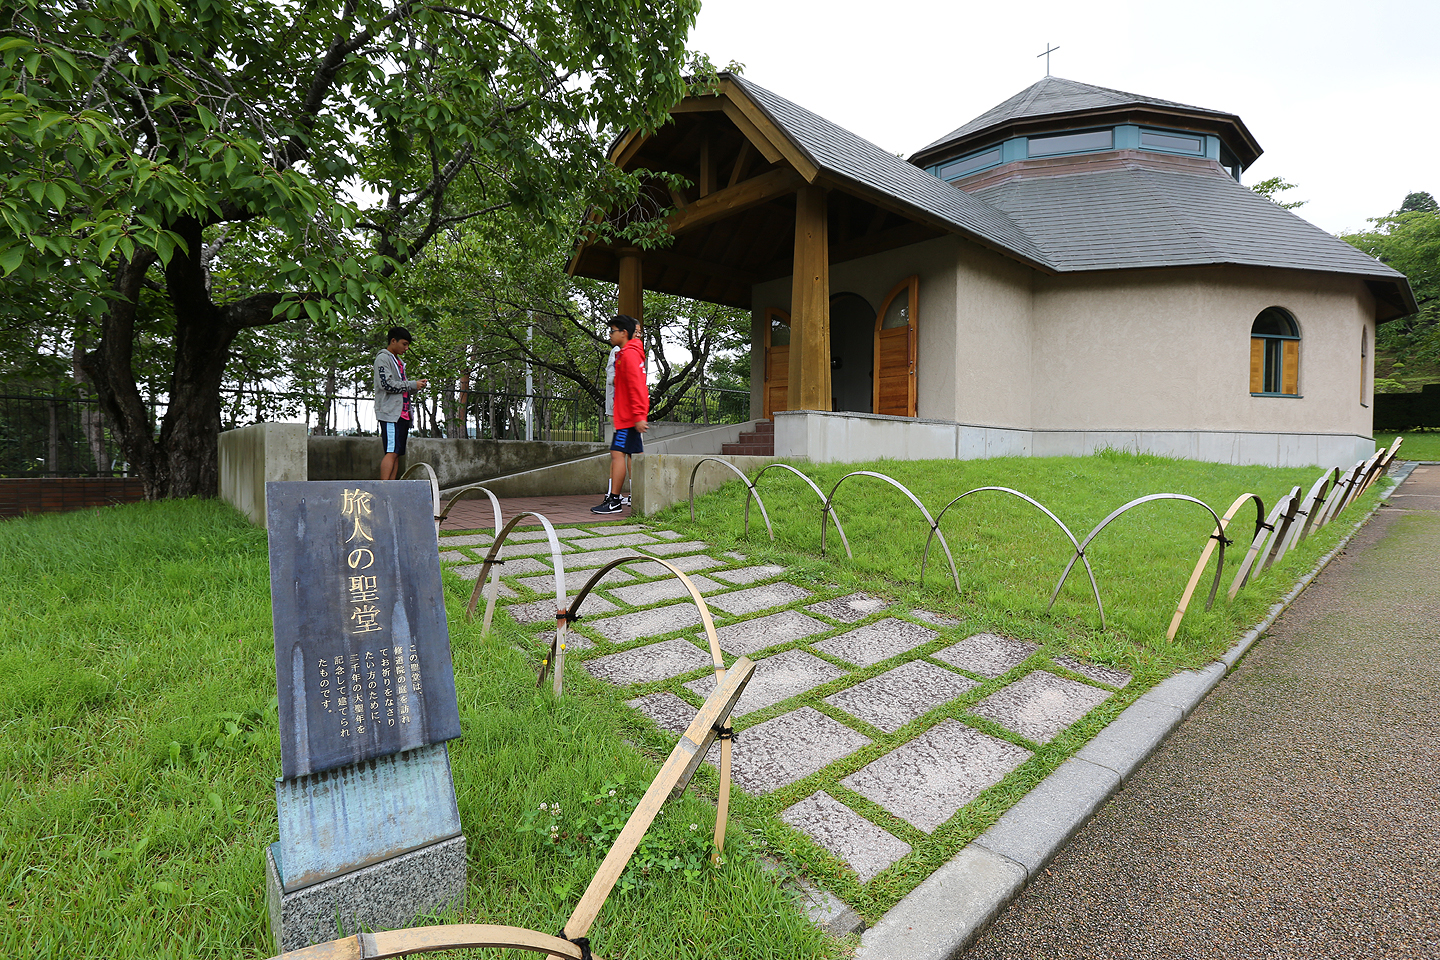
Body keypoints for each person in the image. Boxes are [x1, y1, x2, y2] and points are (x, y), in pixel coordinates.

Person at [592, 314, 647, 515]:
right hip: (627, 416)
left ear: (624, 333)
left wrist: (639, 416)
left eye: (612, 331)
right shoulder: (626, 353)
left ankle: (614, 500)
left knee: (618, 455)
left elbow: (638, 387)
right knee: (631, 455)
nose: (610, 335)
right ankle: (636, 496)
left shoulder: (630, 355)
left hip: (628, 419)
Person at [374, 325, 428, 481]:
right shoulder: (383, 358)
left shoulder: (398, 361)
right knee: (391, 452)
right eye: (404, 344)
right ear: (393, 341)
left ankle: (392, 488)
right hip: (391, 414)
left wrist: (416, 386)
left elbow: (401, 387)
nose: (406, 348)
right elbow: (386, 384)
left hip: (403, 414)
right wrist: (412, 384)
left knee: (396, 453)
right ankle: (385, 488)